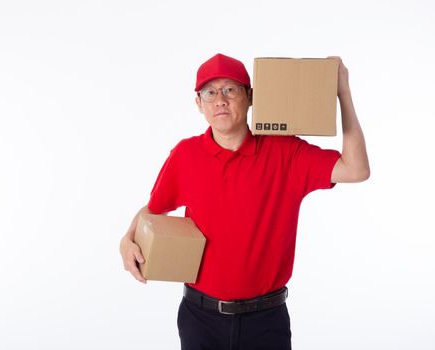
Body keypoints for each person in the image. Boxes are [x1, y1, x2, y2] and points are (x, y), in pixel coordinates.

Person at [119, 53, 370, 350]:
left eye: (230, 89)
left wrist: (342, 92)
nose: (220, 100)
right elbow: (153, 210)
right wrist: (126, 239)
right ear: (199, 103)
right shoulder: (186, 155)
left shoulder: (284, 151)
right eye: (209, 92)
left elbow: (356, 169)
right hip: (200, 319)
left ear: (250, 97)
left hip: (266, 320)